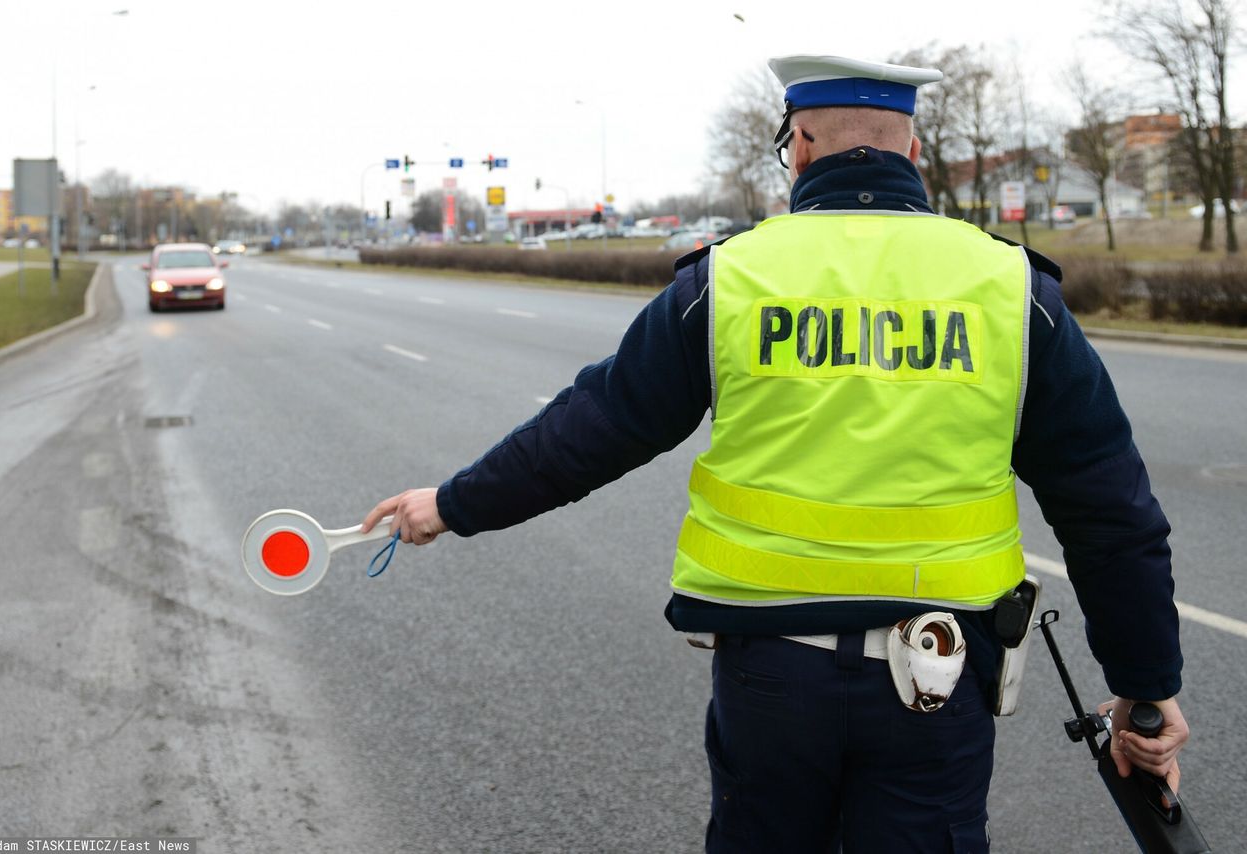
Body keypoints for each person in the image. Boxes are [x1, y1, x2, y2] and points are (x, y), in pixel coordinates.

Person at [362, 55, 1188, 853]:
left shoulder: (728, 282)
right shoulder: (1012, 291)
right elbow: (1109, 509)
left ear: (798, 145)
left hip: (771, 683)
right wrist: (1144, 696)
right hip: (936, 678)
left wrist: (452, 503)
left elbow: (590, 430)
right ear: (914, 151)